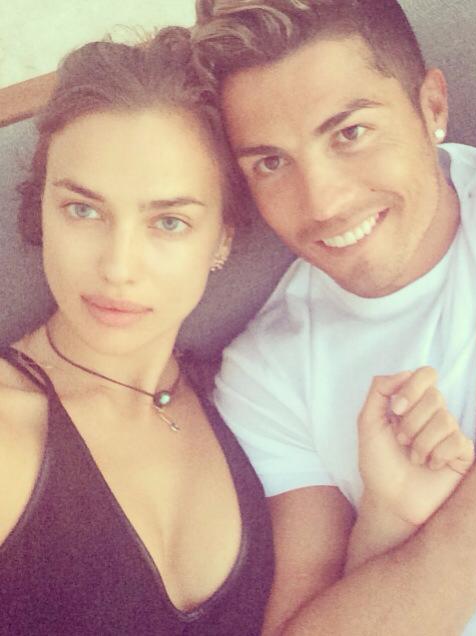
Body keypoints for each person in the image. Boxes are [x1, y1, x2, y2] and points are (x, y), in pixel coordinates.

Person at [191, 1, 476, 634]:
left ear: (432, 107)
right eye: (271, 162)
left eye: (350, 133)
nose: (322, 203)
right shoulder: (268, 369)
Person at [0, 29, 275, 635]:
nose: (118, 267)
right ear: (41, 210)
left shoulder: (249, 397)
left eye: (169, 221)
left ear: (223, 238)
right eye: (83, 210)